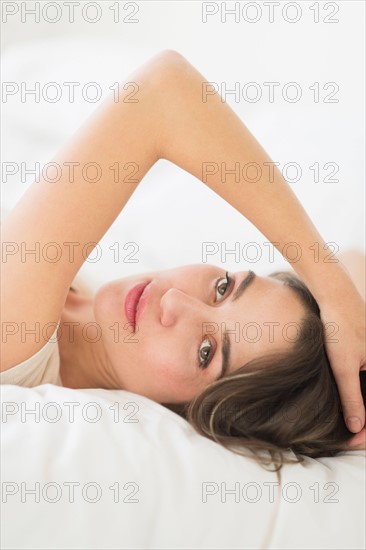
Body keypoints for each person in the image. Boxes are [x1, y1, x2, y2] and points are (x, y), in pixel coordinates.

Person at [1, 50, 365, 469]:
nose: (173, 300)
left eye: (206, 352)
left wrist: (332, 288)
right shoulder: (79, 314)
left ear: (196, 416)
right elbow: (356, 259)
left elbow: (161, 92)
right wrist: (337, 295)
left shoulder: (15, 338)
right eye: (223, 287)